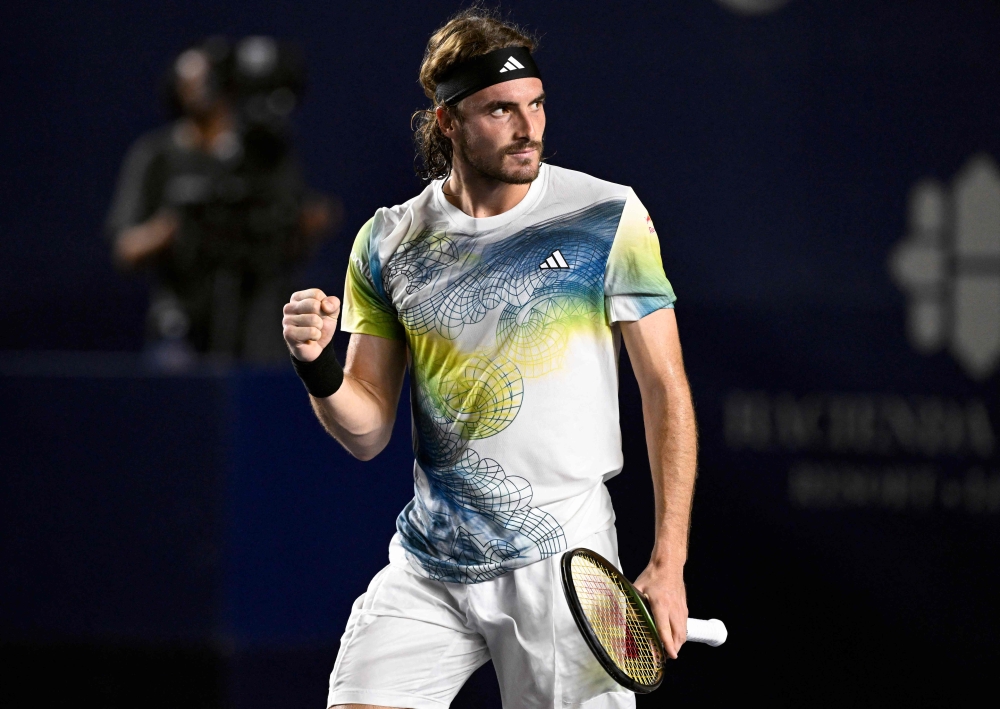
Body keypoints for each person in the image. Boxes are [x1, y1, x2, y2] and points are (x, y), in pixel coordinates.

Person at [283, 9, 697, 709]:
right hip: (429, 564)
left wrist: (669, 557)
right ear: (446, 122)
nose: (528, 126)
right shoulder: (387, 241)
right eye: (500, 109)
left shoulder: (609, 217)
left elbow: (666, 390)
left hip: (565, 567)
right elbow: (366, 429)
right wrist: (318, 363)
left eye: (535, 104)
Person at [107, 38, 334, 367]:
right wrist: (178, 223)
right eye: (189, 82)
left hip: (257, 309)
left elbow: (294, 219)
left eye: (209, 81)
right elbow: (126, 249)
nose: (201, 91)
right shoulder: (156, 156)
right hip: (183, 314)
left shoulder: (262, 152)